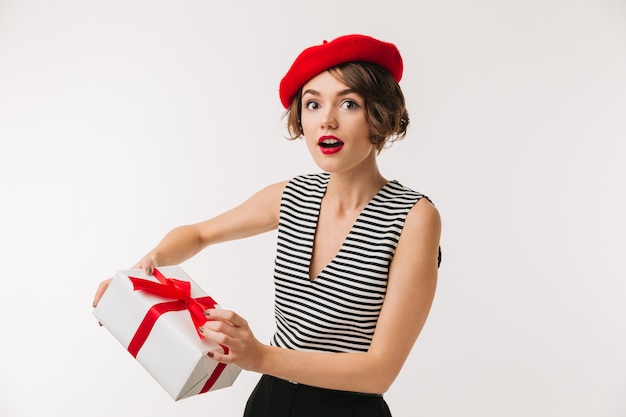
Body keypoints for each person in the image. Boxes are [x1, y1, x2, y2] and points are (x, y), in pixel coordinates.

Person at [93, 33, 441, 417]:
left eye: (348, 103)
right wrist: (146, 268)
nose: (326, 119)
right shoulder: (292, 195)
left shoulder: (413, 217)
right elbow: (199, 233)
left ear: (379, 116)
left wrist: (259, 356)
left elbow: (380, 372)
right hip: (269, 404)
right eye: (312, 104)